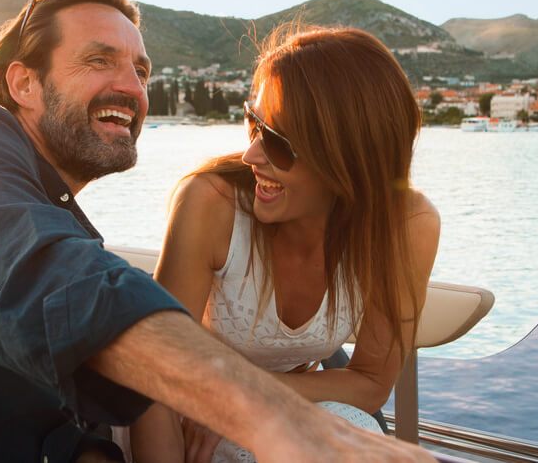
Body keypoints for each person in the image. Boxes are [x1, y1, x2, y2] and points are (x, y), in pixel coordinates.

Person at [0, 0, 439, 463]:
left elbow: (31, 387)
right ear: (23, 83)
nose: (130, 86)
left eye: (141, 69)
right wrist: (273, 417)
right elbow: (54, 286)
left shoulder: (60, 216)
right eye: (98, 60)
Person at [131, 25, 440, 463]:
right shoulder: (211, 203)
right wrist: (212, 398)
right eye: (252, 123)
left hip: (270, 403)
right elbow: (156, 372)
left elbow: (371, 382)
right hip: (180, 417)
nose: (251, 155)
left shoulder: (408, 225)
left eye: (276, 142)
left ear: (347, 159)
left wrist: (239, 393)